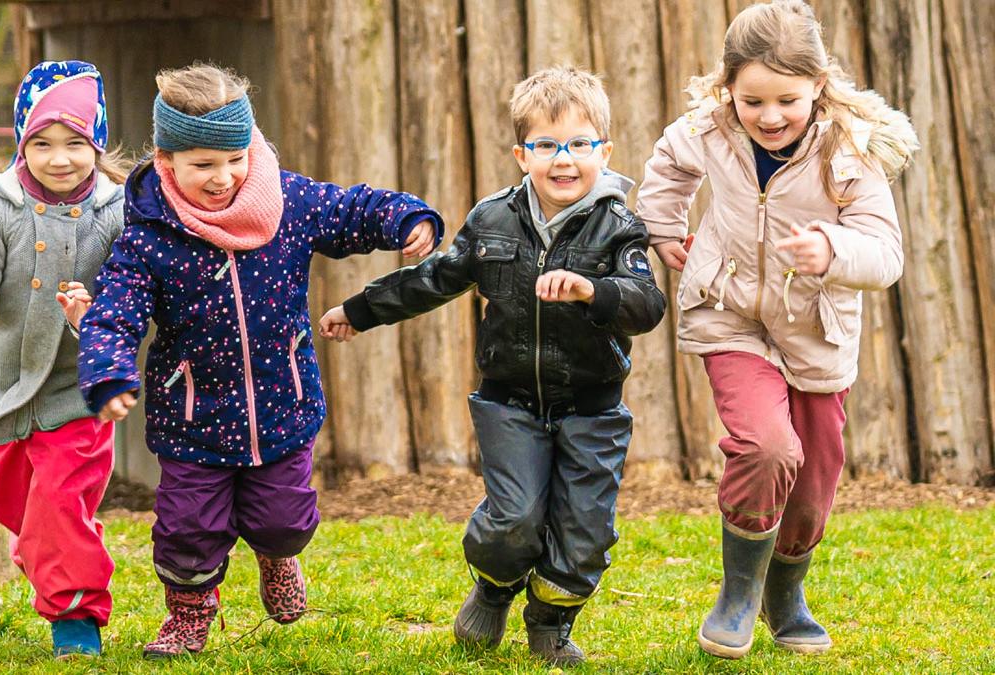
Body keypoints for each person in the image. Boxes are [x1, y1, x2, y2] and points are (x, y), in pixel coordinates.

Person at [75, 63, 442, 659]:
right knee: (187, 528)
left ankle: (277, 559)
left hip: (282, 401)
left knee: (283, 520)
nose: (223, 178)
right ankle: (190, 613)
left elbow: (349, 209)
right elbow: (116, 308)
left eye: (234, 158)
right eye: (203, 165)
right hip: (194, 414)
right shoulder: (149, 232)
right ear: (167, 163)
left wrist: (406, 218)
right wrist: (108, 370)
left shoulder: (286, 201)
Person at [319, 65, 666, 666]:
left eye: (581, 144)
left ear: (604, 151)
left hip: (593, 407)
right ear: (520, 154)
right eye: (546, 145)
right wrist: (360, 309)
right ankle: (495, 584)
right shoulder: (493, 220)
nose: (565, 159)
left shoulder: (620, 227)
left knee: (585, 531)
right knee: (514, 518)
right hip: (509, 401)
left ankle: (551, 621)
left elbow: (646, 305)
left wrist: (591, 289)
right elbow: (435, 279)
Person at [636, 0, 919, 659]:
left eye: (786, 100)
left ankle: (785, 591)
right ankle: (738, 591)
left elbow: (886, 255)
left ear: (817, 86)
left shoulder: (849, 151)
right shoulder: (710, 127)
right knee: (768, 447)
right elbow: (667, 166)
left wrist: (833, 249)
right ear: (727, 87)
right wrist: (663, 225)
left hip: (815, 328)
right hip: (729, 311)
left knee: (816, 472)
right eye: (751, 99)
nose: (768, 117)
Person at [0, 60, 132, 659]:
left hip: (77, 394)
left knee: (61, 502)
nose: (59, 158)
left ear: (96, 146)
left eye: (76, 143)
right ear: (22, 145)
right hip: (5, 393)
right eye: (41, 144)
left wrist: (94, 315)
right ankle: (49, 548)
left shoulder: (117, 213)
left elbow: (131, 293)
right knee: (18, 501)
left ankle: (75, 617)